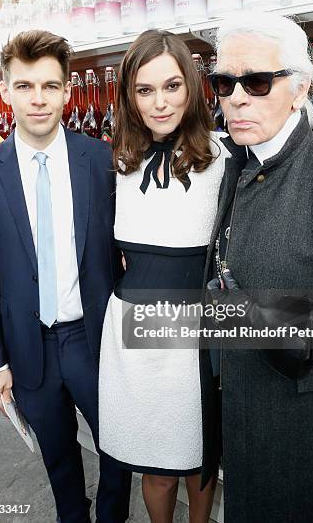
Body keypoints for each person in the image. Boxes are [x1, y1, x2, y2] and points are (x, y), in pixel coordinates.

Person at [200, 11, 313, 522]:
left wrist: (252, 318)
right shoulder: (237, 163)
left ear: (300, 90)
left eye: (255, 81)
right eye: (224, 82)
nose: (236, 97)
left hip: (309, 434)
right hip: (245, 420)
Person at [0, 30, 131, 523]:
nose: (38, 99)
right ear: (5, 90)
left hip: (93, 341)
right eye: (25, 86)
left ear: (67, 90)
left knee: (118, 448)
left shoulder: (101, 160)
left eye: (50, 86)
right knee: (58, 456)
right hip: (28, 346)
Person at [98, 29, 227, 522]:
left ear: (193, 86)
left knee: (200, 460)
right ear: (129, 95)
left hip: (198, 330)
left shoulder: (224, 158)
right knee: (154, 467)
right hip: (134, 333)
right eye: (145, 90)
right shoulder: (116, 162)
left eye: (172, 86)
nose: (159, 103)